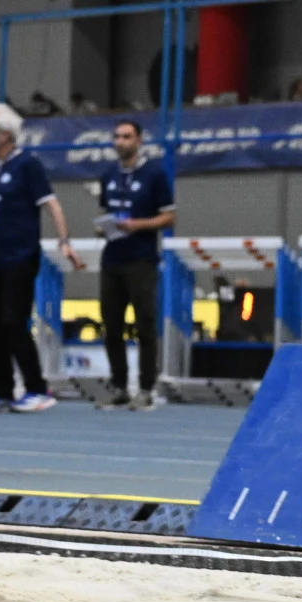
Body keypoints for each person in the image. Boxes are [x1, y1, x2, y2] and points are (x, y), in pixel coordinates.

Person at [0, 102, 67, 414]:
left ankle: (38, 389)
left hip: (20, 257)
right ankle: (2, 391)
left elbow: (52, 204)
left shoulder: (28, 165)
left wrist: (64, 240)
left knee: (13, 322)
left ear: (6, 133)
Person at [94, 120, 174, 411]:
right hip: (112, 259)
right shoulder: (108, 175)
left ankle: (146, 388)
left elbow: (169, 217)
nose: (120, 141)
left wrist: (137, 225)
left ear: (139, 140)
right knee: (111, 325)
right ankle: (118, 387)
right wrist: (103, 228)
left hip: (141, 259)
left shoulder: (154, 174)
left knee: (145, 325)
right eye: (116, 136)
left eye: (126, 137)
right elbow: (106, 212)